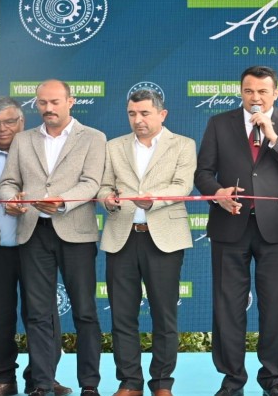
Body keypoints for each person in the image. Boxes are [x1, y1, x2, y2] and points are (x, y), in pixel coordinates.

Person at [194, 65, 278, 396]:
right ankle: (232, 379)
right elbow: (203, 173)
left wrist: (273, 137)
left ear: (276, 93)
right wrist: (217, 193)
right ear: (241, 92)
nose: (255, 97)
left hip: (277, 229)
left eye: (262, 91)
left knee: (276, 307)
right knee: (227, 307)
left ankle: (273, 380)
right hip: (229, 224)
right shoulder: (219, 123)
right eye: (249, 91)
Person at [0, 79, 106, 396]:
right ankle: (42, 385)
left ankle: (90, 385)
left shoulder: (94, 137)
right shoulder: (23, 140)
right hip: (33, 233)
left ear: (70, 102)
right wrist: (10, 201)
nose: (48, 108)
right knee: (37, 313)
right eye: (42, 102)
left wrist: (62, 201)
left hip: (76, 232)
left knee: (85, 311)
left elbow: (91, 182)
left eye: (55, 102)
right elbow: (8, 182)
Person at [0, 98, 72, 396]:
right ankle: (2, 379)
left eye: (9, 121)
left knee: (44, 314)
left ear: (22, 122)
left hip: (37, 245)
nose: (2, 129)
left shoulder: (42, 148)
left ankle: (43, 378)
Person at [98, 89, 196, 396]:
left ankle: (162, 383)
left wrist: (154, 200)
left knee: (164, 315)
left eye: (144, 113)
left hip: (164, 239)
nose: (137, 120)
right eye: (132, 114)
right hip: (121, 237)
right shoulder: (113, 146)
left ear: (162, 114)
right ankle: (130, 382)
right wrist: (108, 199)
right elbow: (103, 186)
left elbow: (182, 186)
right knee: (122, 316)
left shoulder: (183, 144)